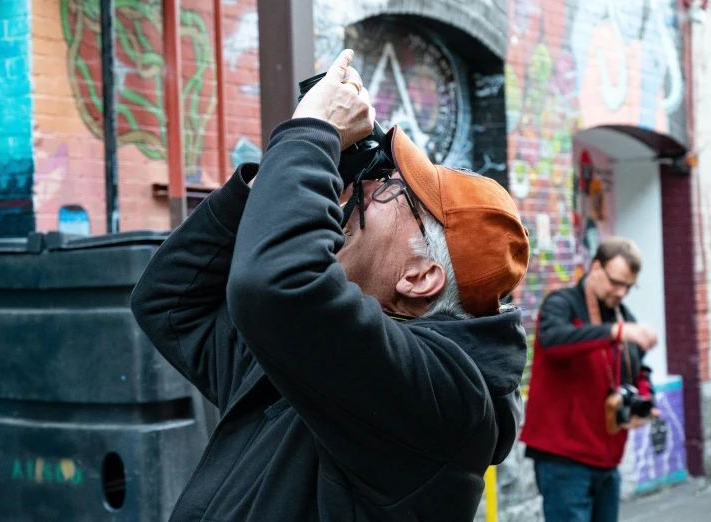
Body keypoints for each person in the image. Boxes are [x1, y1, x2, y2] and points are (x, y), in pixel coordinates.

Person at [131, 49, 530, 522]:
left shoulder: (448, 397)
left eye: (388, 187)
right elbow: (171, 300)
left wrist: (311, 135)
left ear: (420, 277)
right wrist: (272, 181)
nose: (357, 188)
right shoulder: (323, 355)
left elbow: (277, 284)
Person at [520, 237, 660, 522]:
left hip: (607, 459)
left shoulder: (620, 314)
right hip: (564, 460)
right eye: (616, 282)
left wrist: (644, 399)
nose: (622, 292)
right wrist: (614, 333)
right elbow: (553, 340)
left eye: (629, 287)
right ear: (596, 267)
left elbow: (638, 369)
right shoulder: (562, 302)